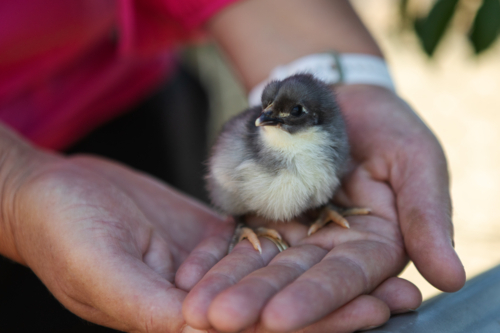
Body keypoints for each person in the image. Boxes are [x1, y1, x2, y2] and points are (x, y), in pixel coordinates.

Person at [0, 0, 465, 332]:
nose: (266, 120)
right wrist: (12, 181)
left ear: (321, 122)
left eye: (289, 117)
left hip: (120, 91)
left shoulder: (330, 146)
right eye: (269, 111)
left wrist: (354, 74)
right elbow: (229, 170)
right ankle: (244, 222)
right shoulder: (254, 146)